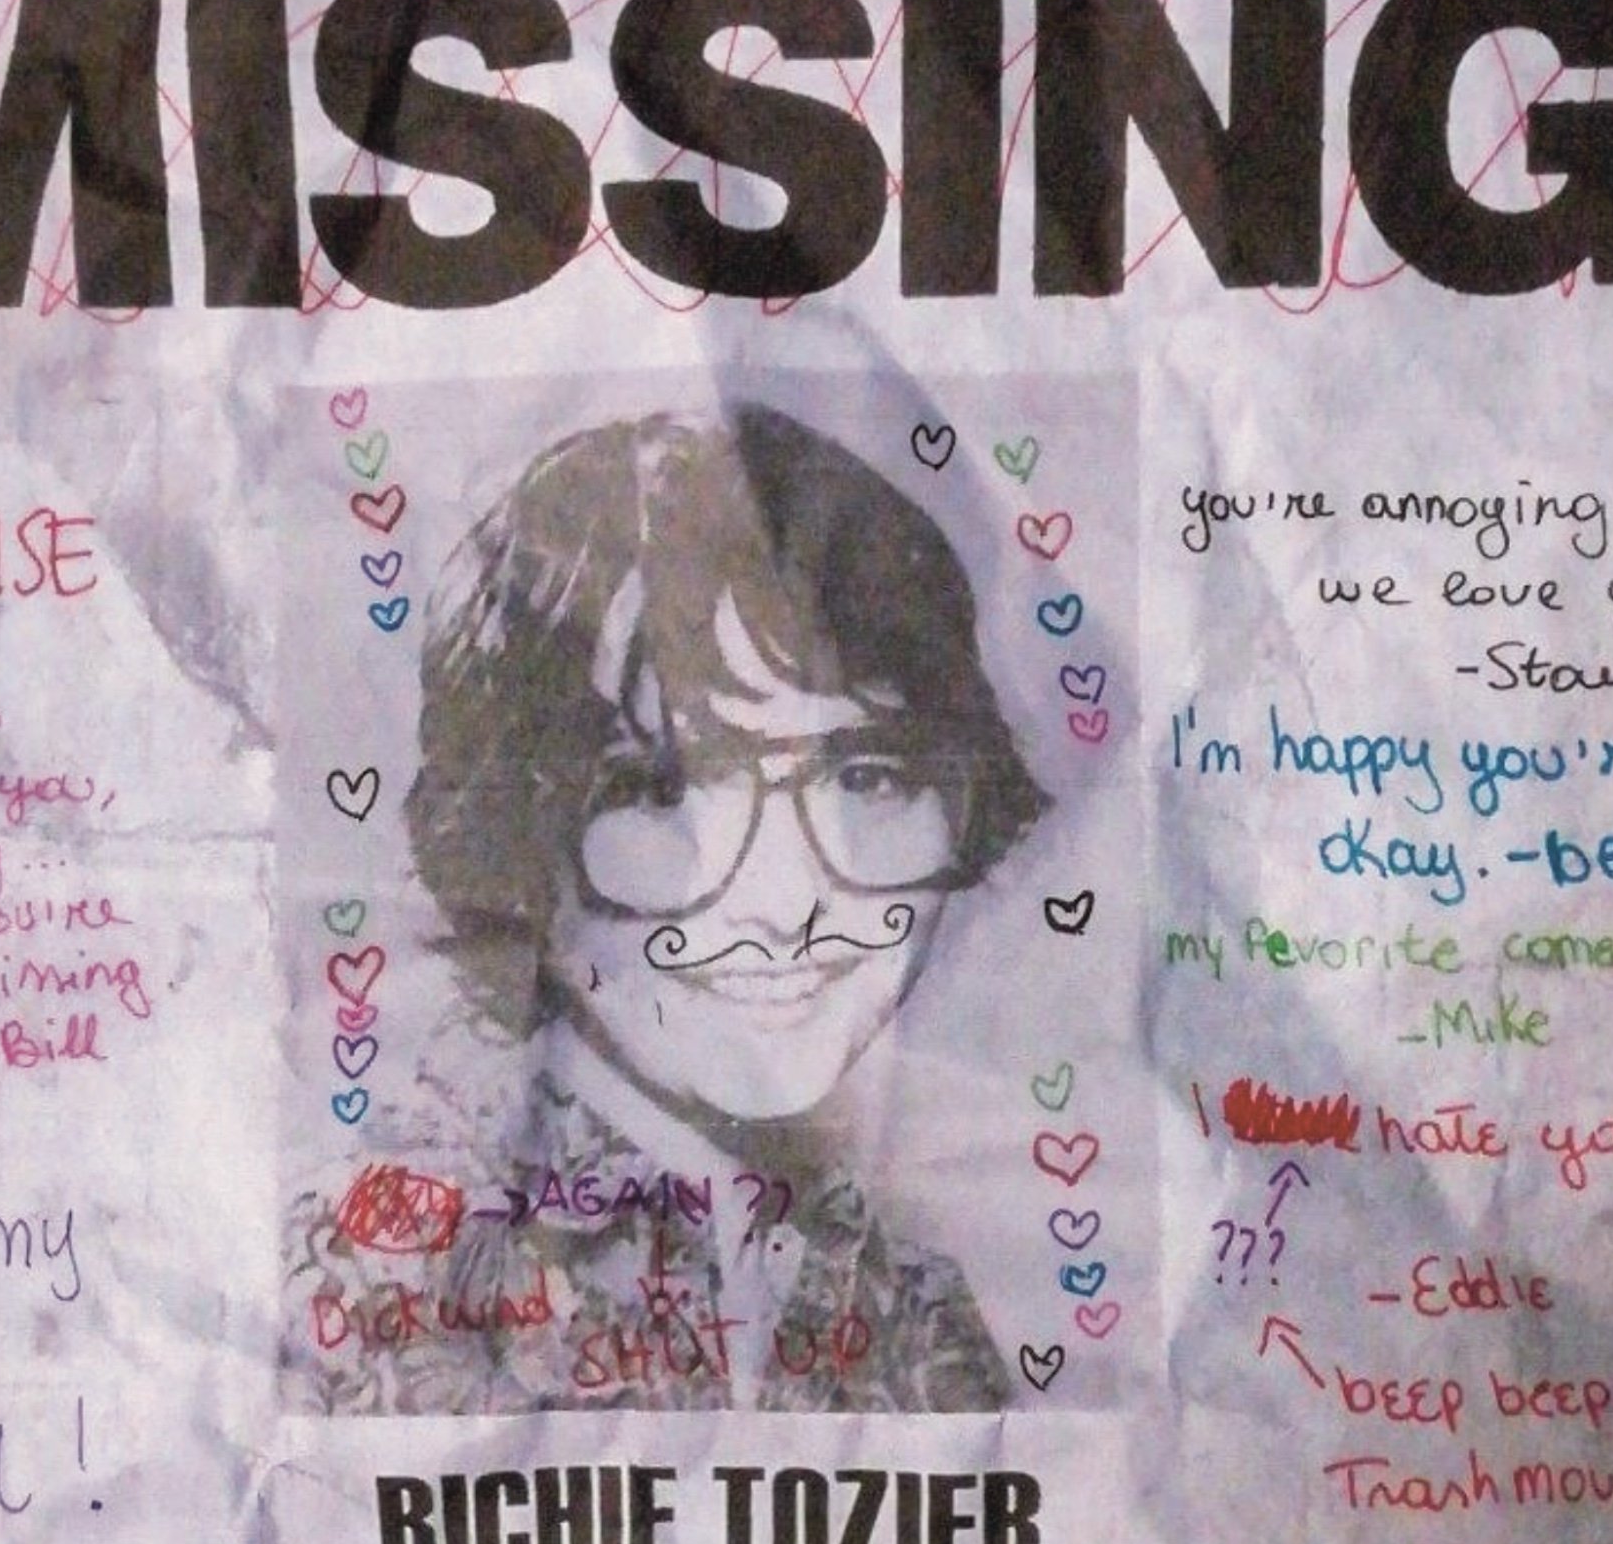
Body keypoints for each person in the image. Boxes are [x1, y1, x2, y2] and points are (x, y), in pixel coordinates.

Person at [287, 403, 1048, 1413]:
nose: (787, 905)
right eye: (663, 790)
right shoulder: (371, 1275)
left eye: (867, 777)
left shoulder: (913, 1314)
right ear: (517, 838)